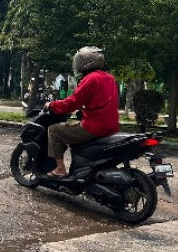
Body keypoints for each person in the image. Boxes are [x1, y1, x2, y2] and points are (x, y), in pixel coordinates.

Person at [43, 46, 120, 178]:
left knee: (54, 130)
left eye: (79, 61)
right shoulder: (109, 78)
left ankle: (60, 169)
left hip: (95, 127)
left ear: (87, 62)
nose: (77, 64)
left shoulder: (90, 79)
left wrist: (52, 104)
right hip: (112, 126)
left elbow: (73, 102)